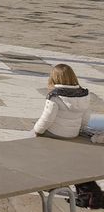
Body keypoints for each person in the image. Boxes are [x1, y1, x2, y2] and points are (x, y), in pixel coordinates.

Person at [31, 64, 102, 203]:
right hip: (73, 133)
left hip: (55, 133)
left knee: (32, 137)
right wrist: (78, 130)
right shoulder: (84, 93)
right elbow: (86, 118)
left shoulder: (55, 96)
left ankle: (48, 181)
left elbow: (47, 119)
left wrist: (37, 131)